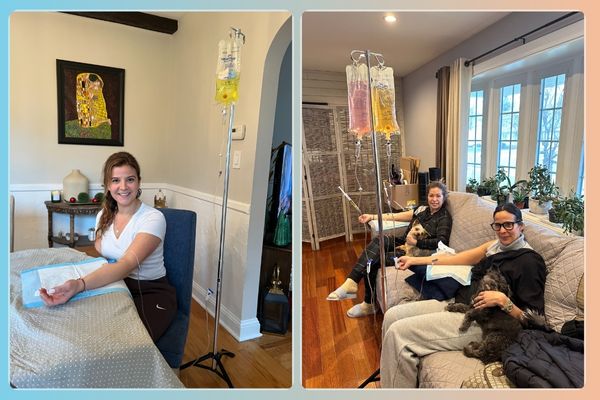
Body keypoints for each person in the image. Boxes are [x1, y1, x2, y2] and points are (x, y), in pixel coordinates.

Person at [379, 203, 546, 387]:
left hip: (486, 323)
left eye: (508, 225)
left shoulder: (529, 261)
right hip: (461, 303)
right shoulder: (494, 246)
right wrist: (414, 260)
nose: (502, 231)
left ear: (520, 226)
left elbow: (535, 320)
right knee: (391, 316)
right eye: (497, 225)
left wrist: (504, 301)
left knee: (398, 334)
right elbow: (456, 258)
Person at [40, 152, 177, 342]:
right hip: (115, 285)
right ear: (107, 185)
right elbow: (102, 249)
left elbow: (127, 263)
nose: (123, 187)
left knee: (123, 344)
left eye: (130, 179)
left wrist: (80, 284)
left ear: (139, 182)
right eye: (115, 180)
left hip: (149, 292)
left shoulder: (152, 218)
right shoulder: (104, 214)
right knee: (82, 332)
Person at [327, 181, 452, 318]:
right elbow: (398, 216)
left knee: (375, 260)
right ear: (427, 196)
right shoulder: (423, 209)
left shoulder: (444, 218)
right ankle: (352, 282)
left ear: (444, 197)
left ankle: (368, 303)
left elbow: (442, 242)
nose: (434, 199)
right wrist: (373, 216)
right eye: (431, 195)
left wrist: (418, 242)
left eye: (438, 196)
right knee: (379, 240)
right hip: (403, 242)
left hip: (414, 252)